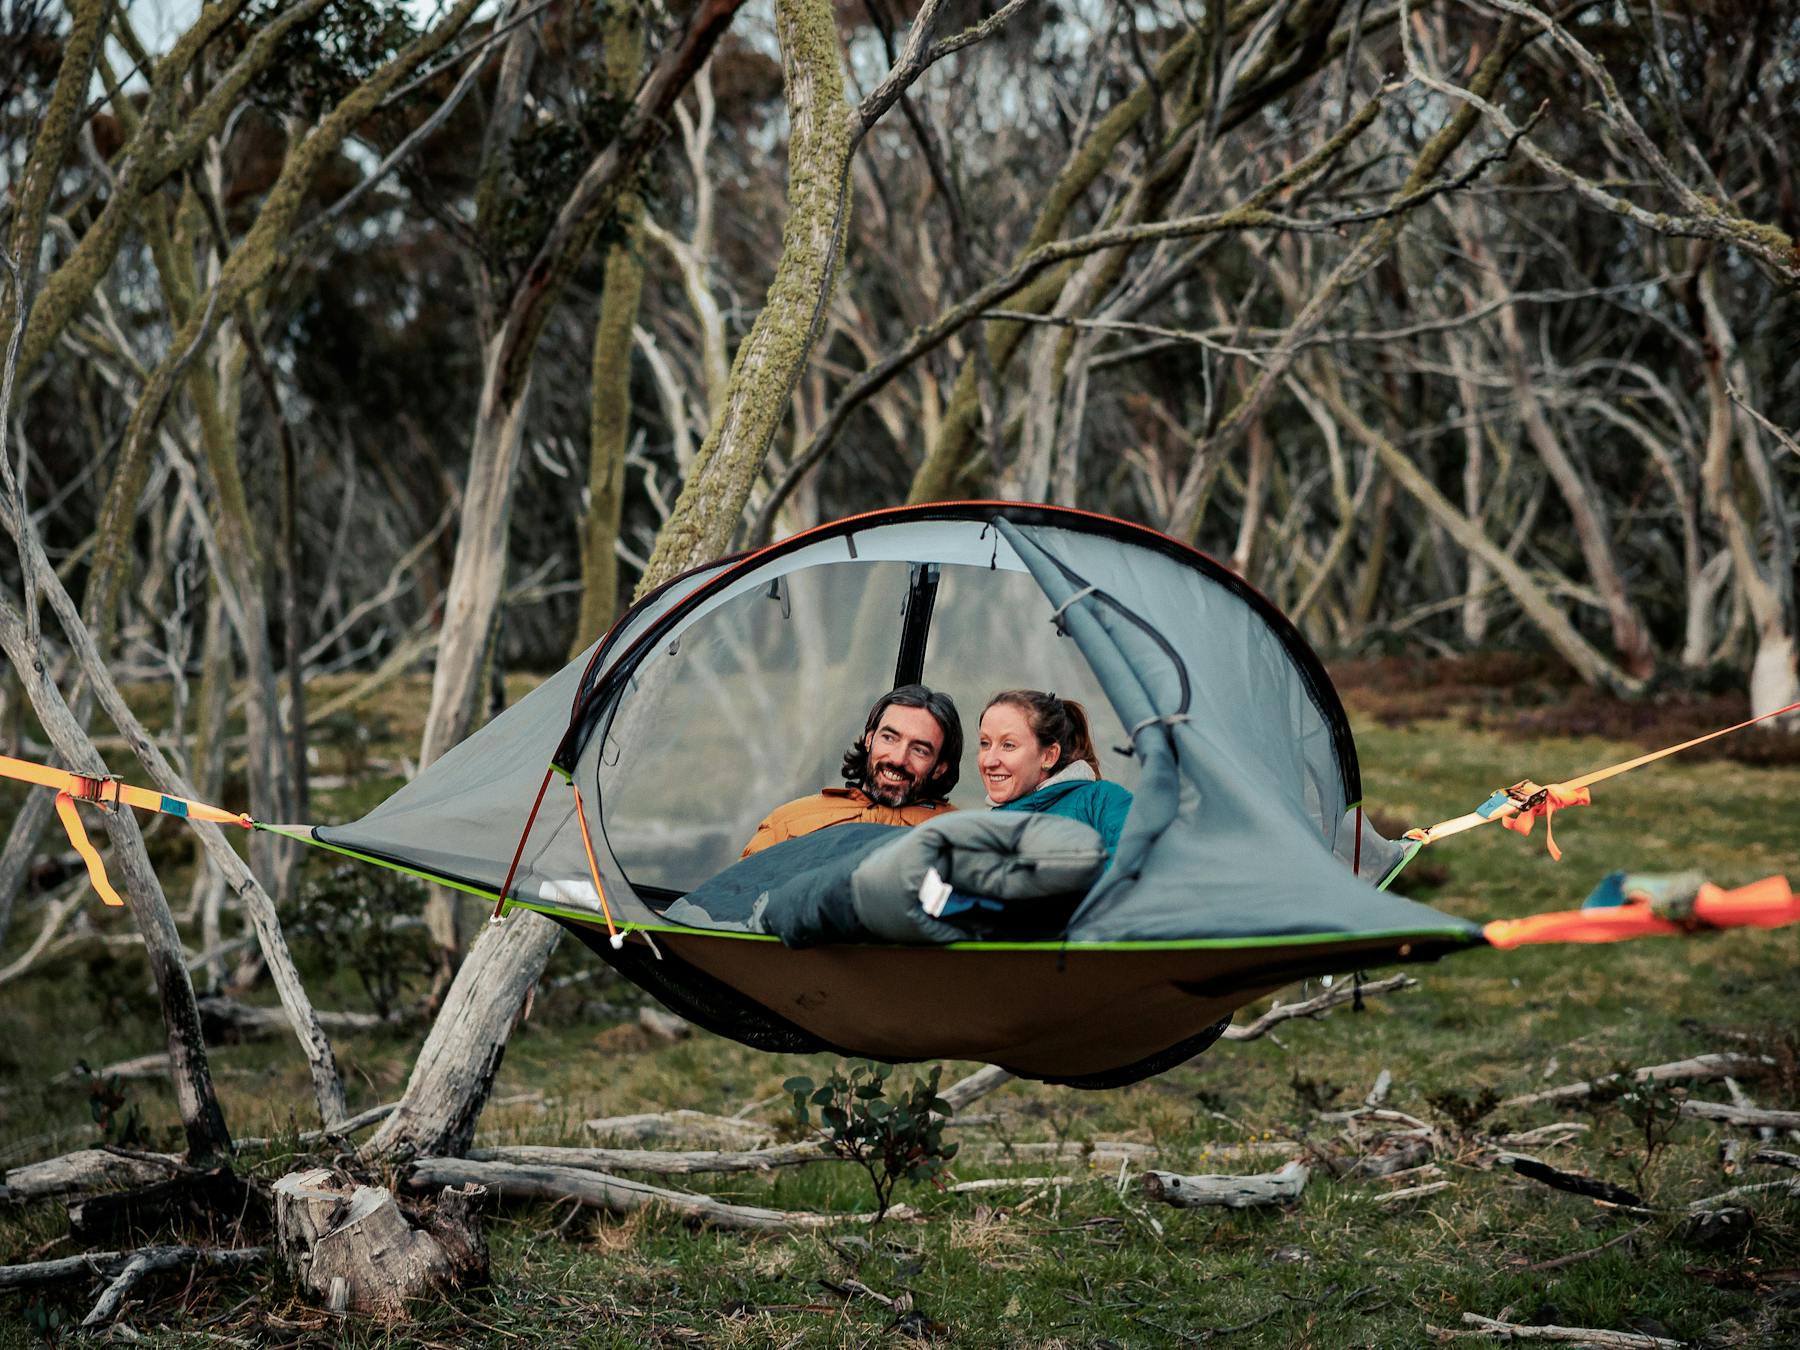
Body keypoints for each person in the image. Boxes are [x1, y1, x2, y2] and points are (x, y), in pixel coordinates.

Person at [741, 685, 962, 857]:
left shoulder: (961, 835)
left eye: (919, 750)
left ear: (940, 768)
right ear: (869, 739)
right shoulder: (788, 821)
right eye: (889, 738)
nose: (898, 759)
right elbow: (738, 895)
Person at [977, 689, 1131, 856]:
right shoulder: (979, 831)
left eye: (1008, 745)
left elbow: (1139, 856)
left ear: (1049, 756)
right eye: (985, 743)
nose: (988, 761)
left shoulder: (1102, 800)